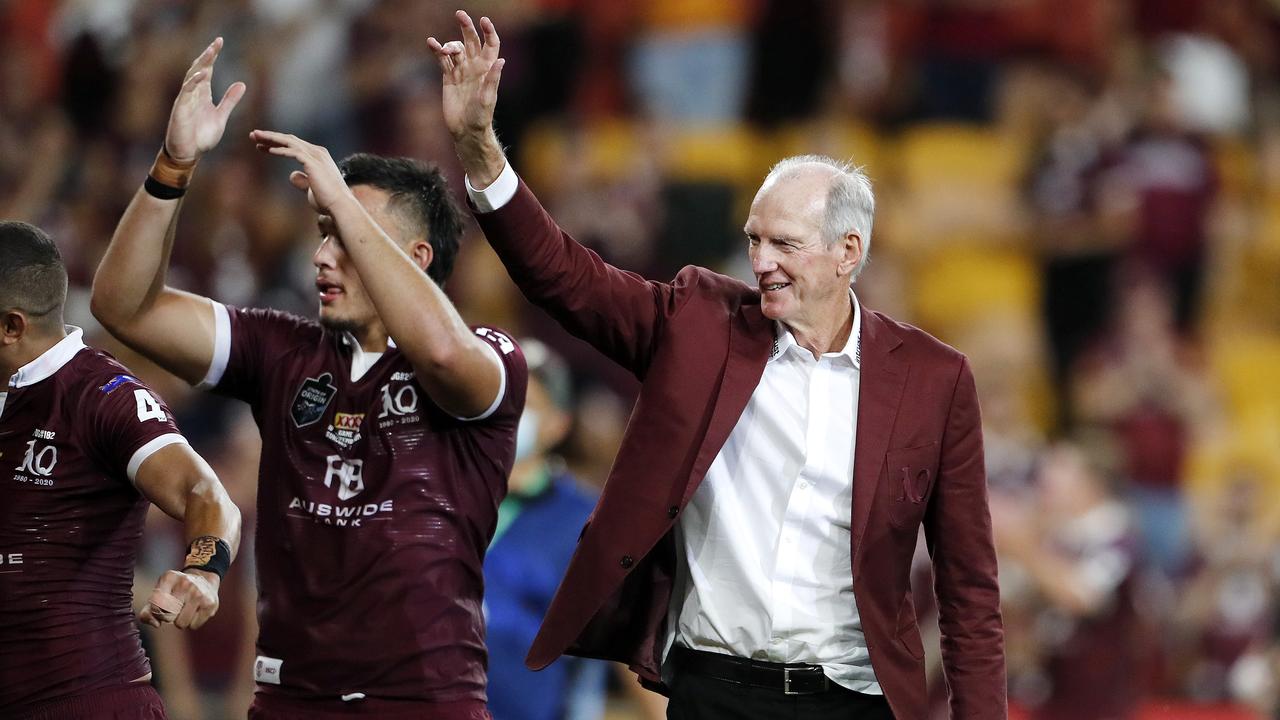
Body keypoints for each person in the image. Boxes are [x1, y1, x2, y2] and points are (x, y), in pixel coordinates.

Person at [429, 11, 1005, 720]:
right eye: (754, 240)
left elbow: (970, 589)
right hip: (713, 696)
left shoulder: (934, 379)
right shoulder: (700, 322)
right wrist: (482, 153)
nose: (761, 262)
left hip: (855, 702)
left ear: (848, 253)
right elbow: (566, 279)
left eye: (785, 244)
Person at [91, 39, 527, 719]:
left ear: (415, 257)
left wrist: (343, 204)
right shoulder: (282, 350)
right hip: (289, 702)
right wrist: (174, 165)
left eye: (342, 235)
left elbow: (441, 354)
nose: (322, 256)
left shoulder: (489, 357)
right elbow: (124, 305)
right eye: (322, 231)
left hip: (423, 704)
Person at [0, 221, 242, 719]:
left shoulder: (104, 396)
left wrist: (204, 571)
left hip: (87, 702)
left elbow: (205, 492)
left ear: (12, 327)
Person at [483, 339, 608, 720]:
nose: (509, 417)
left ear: (557, 425)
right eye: (501, 401)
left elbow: (600, 653)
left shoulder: (586, 519)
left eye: (527, 407)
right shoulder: (443, 492)